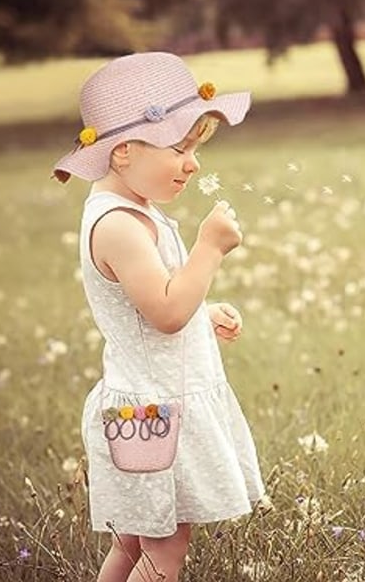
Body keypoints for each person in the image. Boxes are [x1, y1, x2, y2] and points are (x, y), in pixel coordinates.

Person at [52, 52, 265, 582]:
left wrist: (204, 314)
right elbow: (168, 312)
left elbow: (156, 304)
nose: (193, 163)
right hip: (153, 417)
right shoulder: (120, 226)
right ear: (122, 153)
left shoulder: (135, 210)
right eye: (179, 148)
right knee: (164, 550)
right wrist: (210, 250)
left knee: (132, 545)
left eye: (194, 148)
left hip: (148, 409)